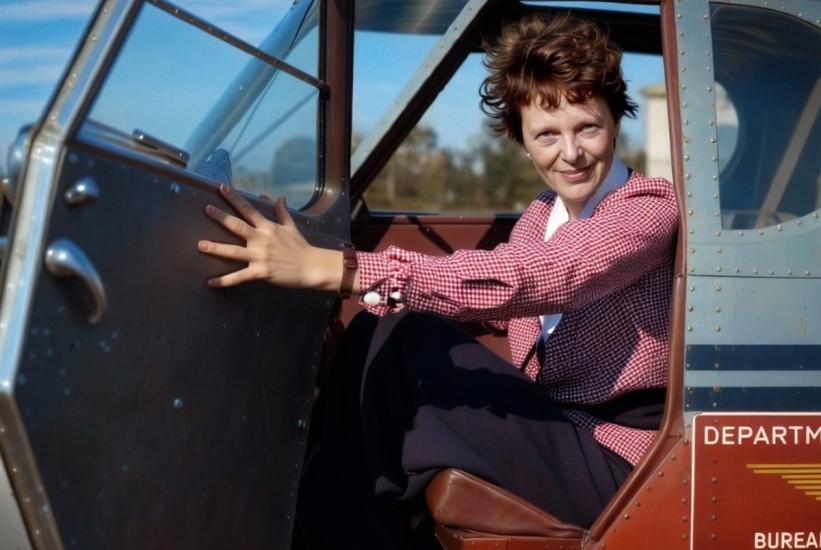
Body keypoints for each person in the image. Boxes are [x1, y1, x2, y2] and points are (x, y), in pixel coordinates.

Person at [197, 12, 678, 549]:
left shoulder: (645, 208)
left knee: (409, 345)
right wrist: (383, 300)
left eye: (587, 127)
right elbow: (505, 308)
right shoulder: (541, 216)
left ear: (615, 121)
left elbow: (538, 278)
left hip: (620, 460)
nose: (571, 153)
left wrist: (340, 270)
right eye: (547, 134)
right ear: (522, 141)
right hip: (558, 430)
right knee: (380, 330)